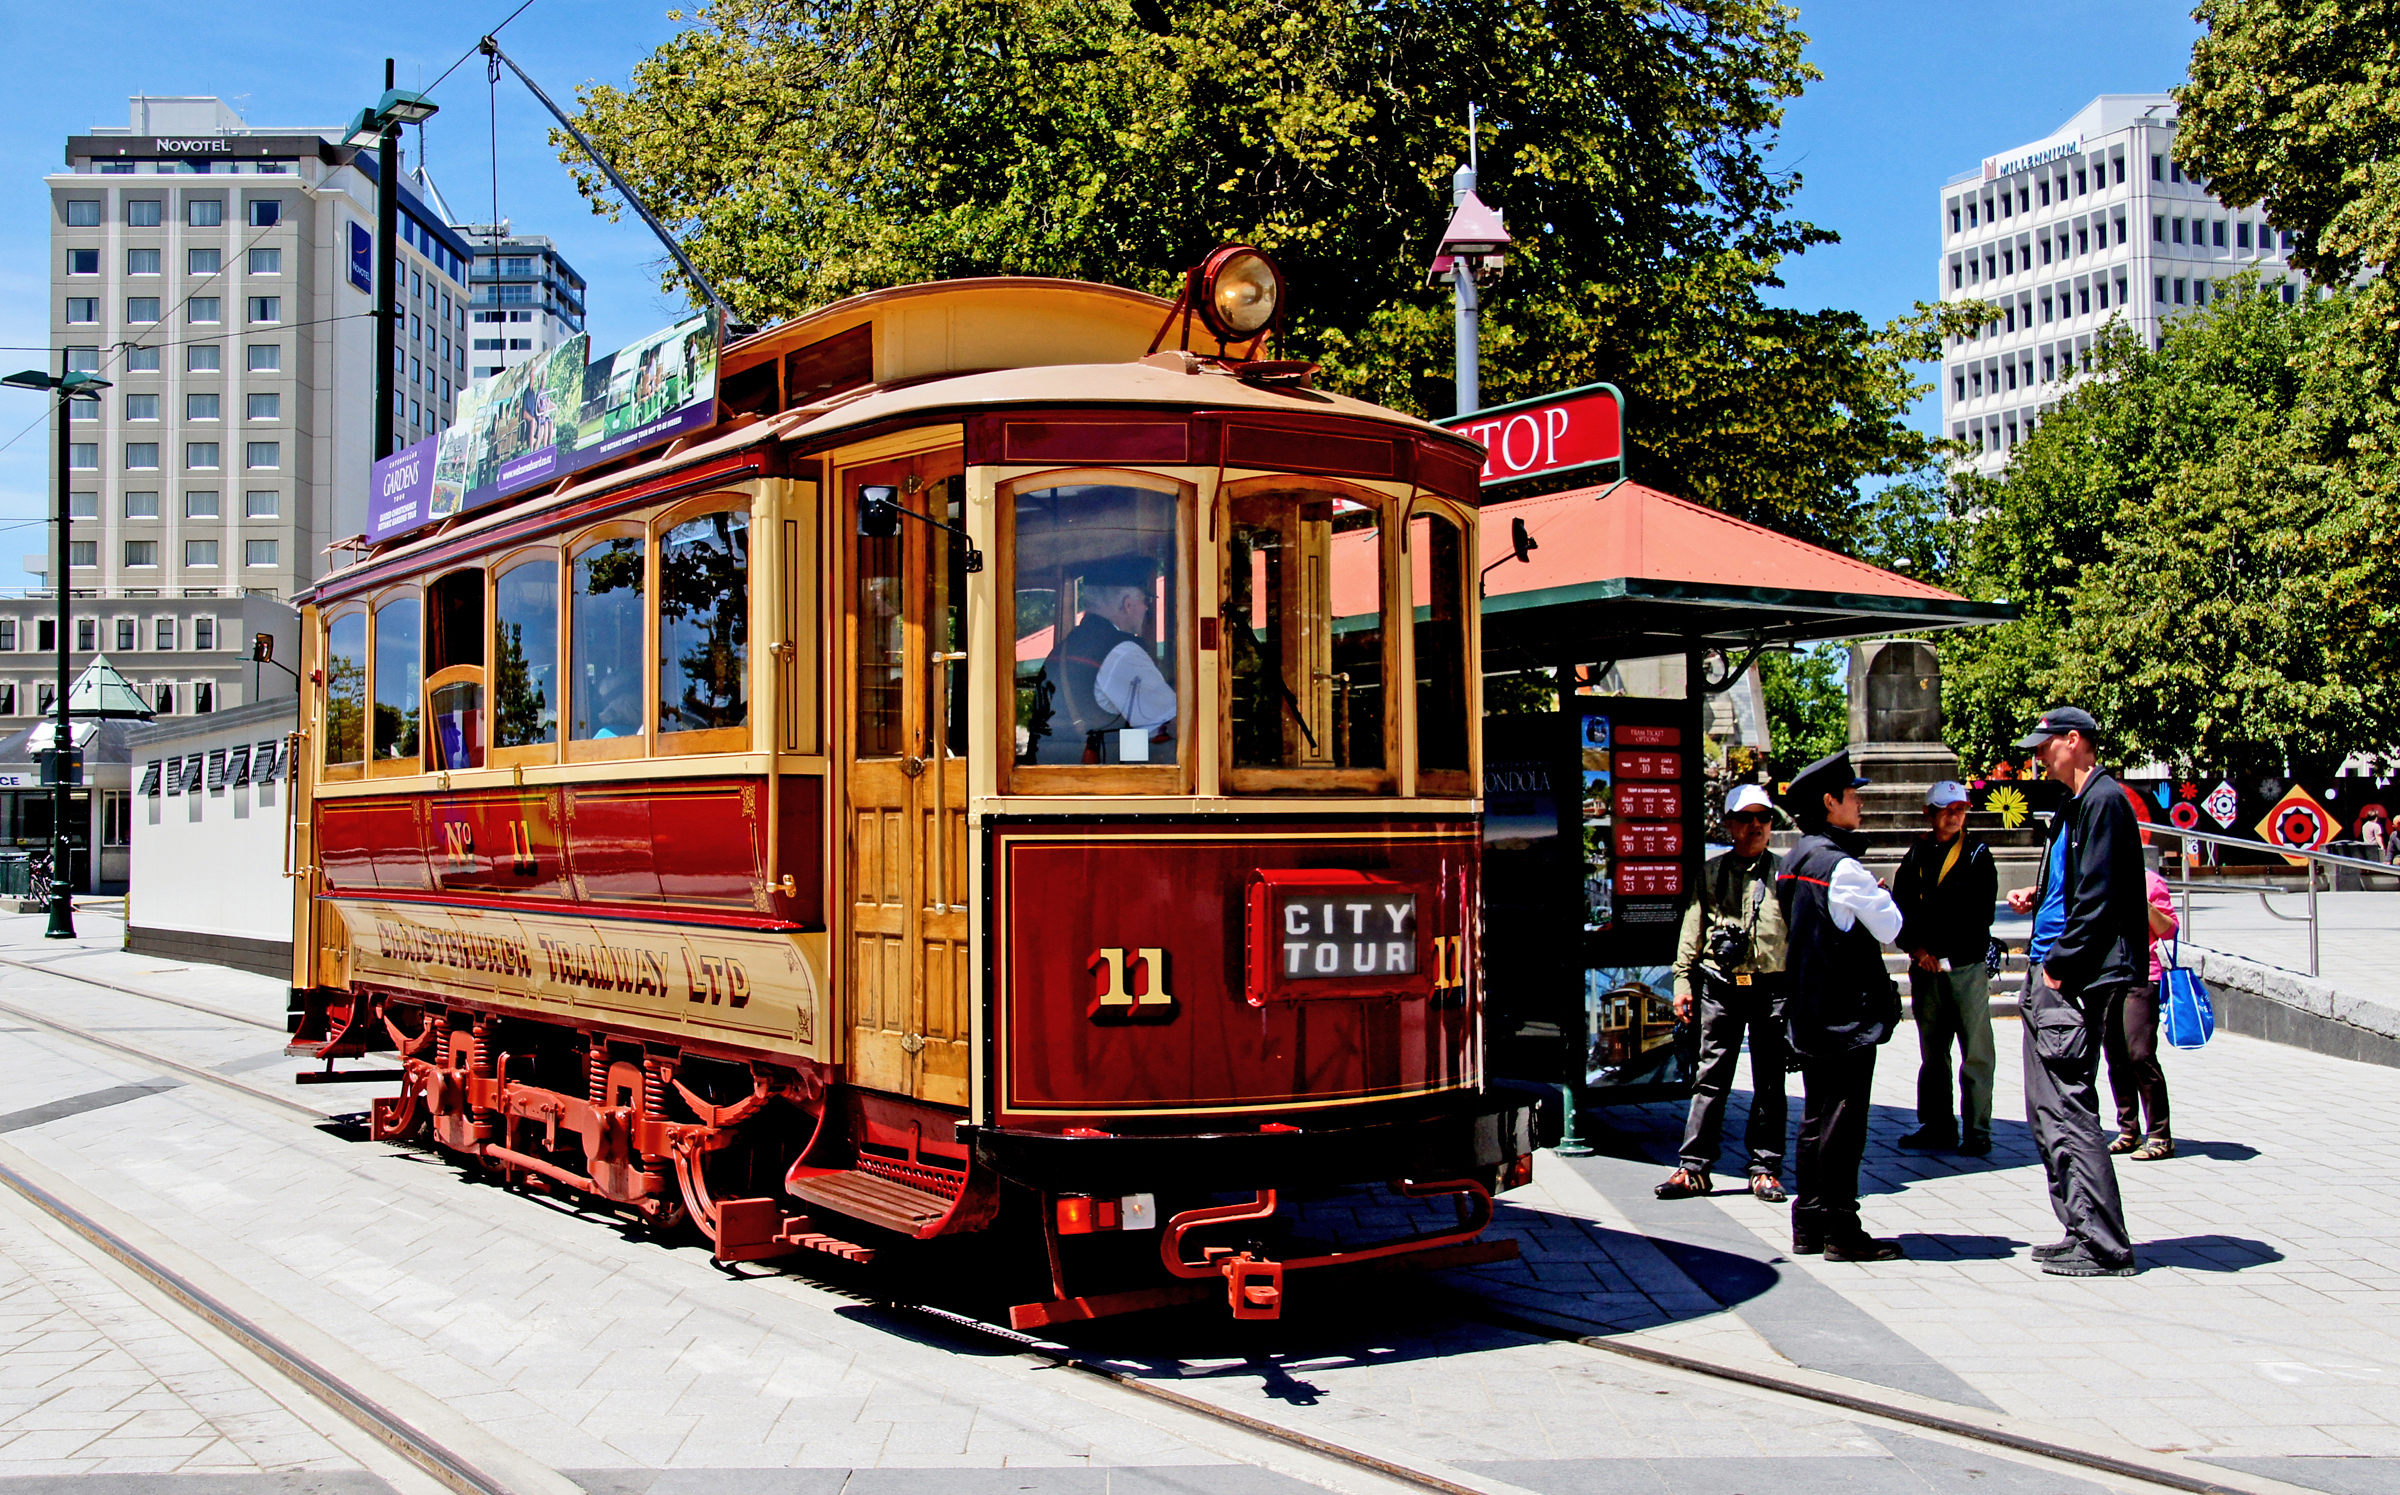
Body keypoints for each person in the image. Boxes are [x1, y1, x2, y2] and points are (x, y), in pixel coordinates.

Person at [2004, 706, 2147, 1278]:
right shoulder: (2076, 803)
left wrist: (2061, 965)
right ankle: (2079, 1228)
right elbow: (2076, 885)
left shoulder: (2105, 800)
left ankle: (2103, 1245)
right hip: (2054, 969)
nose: (2038, 756)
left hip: (2073, 977)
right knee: (2048, 1111)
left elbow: (2101, 896)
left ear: (2073, 740)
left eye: (2044, 746)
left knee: (2068, 1107)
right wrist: (2039, 896)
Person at [1777, 749, 1908, 1262]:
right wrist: (1878, 892)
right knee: (1843, 1121)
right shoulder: (1843, 867)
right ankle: (1840, 1228)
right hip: (1845, 1016)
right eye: (1853, 795)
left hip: (1807, 1011)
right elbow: (1890, 927)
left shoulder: (1793, 861)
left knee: (1815, 1118)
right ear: (1829, 802)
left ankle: (1808, 1222)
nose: (1859, 803)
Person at [1655, 785, 1791, 1204]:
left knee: (1770, 1081)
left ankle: (1765, 1169)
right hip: (1721, 987)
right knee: (1710, 1077)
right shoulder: (1711, 872)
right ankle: (1694, 1168)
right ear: (1729, 824)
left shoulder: (1785, 873)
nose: (1756, 825)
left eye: (1764, 818)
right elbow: (1692, 929)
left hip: (1772, 988)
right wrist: (1682, 982)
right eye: (1746, 818)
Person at [1893, 781, 1999, 1156]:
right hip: (1926, 968)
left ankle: (1977, 1131)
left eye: (1960, 809)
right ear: (1929, 813)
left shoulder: (1977, 854)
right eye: (1946, 809)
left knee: (1976, 1053)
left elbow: (1981, 914)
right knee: (1933, 1054)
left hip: (1965, 967)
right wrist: (1917, 949)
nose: (1954, 816)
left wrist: (1943, 951)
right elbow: (1900, 907)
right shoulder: (1916, 854)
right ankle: (1937, 1125)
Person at [1053, 558, 1176, 761]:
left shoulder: (1067, 646)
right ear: (1128, 604)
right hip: (1105, 776)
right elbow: (1172, 723)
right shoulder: (1122, 653)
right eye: (1146, 601)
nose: (1147, 609)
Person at [2105, 868, 2180, 1161]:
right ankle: (2128, 1130)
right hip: (2107, 975)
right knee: (2115, 1055)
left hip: (2143, 975)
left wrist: (2143, 902)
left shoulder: (2149, 880)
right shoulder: (2098, 873)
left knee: (2140, 1054)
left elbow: (2169, 930)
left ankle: (2160, 1134)